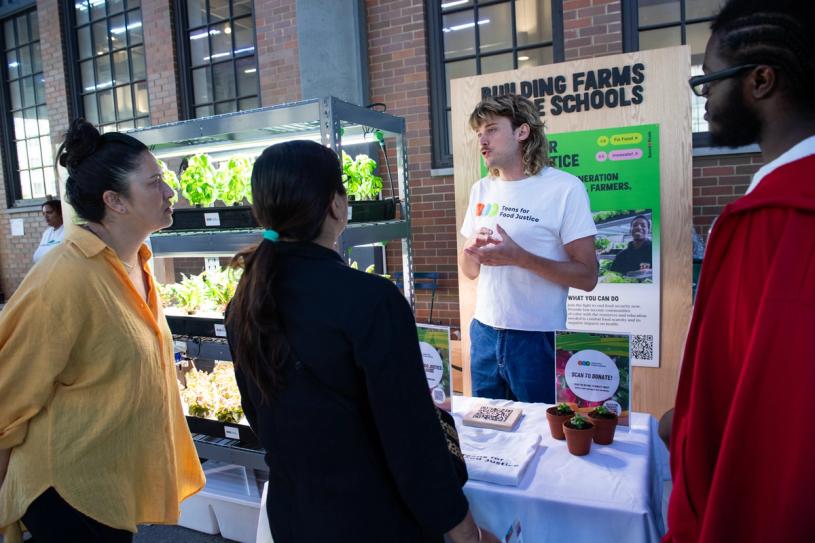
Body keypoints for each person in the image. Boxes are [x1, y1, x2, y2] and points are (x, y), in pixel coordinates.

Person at [225, 140, 499, 543]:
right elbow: (412, 444)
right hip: (373, 520)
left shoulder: (246, 302)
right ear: (336, 206)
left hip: (295, 516)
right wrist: (465, 532)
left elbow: (261, 414)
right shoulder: (371, 300)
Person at [0, 119, 205, 543]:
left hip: (110, 484)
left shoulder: (136, 261)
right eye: (154, 183)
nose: (169, 192)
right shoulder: (65, 276)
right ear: (115, 201)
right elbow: (7, 393)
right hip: (68, 492)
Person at [665, 1, 815, 542]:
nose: (703, 97)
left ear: (761, 80)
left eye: (709, 80)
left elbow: (763, 419)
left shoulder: (774, 221)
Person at [459, 94, 598, 403]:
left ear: (522, 132)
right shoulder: (481, 189)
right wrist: (470, 250)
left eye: (492, 129)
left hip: (537, 339)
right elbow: (469, 272)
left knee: (543, 438)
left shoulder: (564, 188)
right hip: (484, 334)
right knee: (489, 432)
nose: (482, 139)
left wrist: (520, 257)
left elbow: (588, 276)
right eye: (478, 132)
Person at [32, 199, 65, 263]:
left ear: (60, 213)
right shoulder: (47, 233)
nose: (45, 216)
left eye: (49, 212)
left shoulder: (68, 231)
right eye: (44, 213)